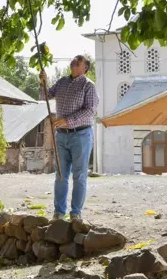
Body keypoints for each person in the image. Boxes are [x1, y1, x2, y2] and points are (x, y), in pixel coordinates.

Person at [40, 55, 100, 222]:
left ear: (85, 68)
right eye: (73, 61)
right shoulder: (62, 82)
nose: (73, 63)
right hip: (61, 135)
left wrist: (67, 120)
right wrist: (43, 82)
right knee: (60, 175)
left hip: (81, 134)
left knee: (79, 175)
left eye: (77, 62)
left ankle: (75, 214)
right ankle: (59, 213)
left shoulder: (89, 86)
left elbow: (90, 111)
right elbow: (43, 96)